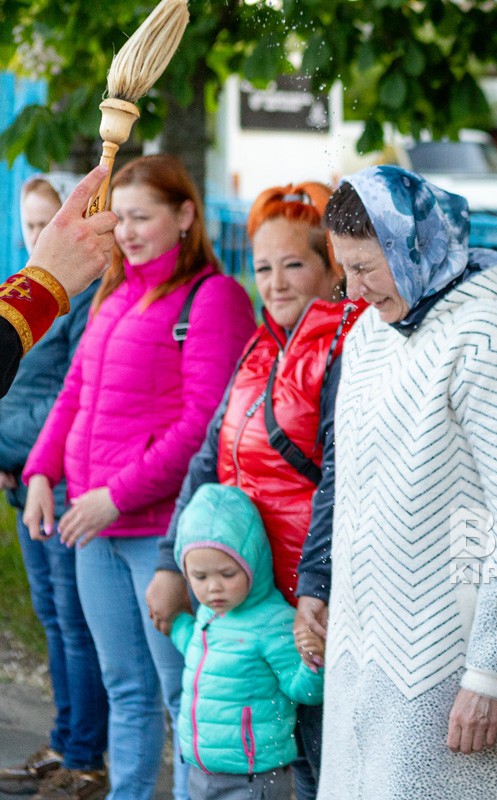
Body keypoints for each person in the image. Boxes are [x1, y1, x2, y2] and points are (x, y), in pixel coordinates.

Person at [315, 165, 497, 800]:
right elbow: (346, 478)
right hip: (362, 648)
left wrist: (489, 672)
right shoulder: (372, 331)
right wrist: (321, 584)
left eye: (367, 266)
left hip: (447, 663)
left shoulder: (488, 337)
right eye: (345, 268)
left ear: (413, 246)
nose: (354, 287)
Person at [22, 154, 257, 800]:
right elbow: (76, 392)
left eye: (140, 216)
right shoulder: (112, 293)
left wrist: (113, 497)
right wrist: (42, 469)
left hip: (161, 537)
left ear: (185, 216)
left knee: (184, 696)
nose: (124, 232)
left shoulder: (214, 299)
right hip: (94, 528)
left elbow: (202, 429)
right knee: (124, 687)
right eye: (118, 217)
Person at [145, 181, 360, 800]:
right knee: (255, 760)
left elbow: (339, 483)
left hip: (309, 603)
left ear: (332, 266)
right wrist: (170, 562)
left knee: (318, 768)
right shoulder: (259, 346)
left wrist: (316, 592)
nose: (276, 282)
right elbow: (207, 461)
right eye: (263, 267)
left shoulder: (346, 347)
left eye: (294, 263)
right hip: (249, 595)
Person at [0, 174, 108, 800]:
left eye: (51, 224)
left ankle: (84, 753)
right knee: (53, 618)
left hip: (60, 480)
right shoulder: (26, 285)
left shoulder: (82, 296)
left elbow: (68, 397)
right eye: (32, 224)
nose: (39, 236)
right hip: (26, 477)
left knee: (74, 622)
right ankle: (66, 740)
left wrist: (11, 450)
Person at [168, 482, 324, 800]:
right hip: (200, 771)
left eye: (227, 574)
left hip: (252, 779)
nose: (214, 588)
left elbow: (302, 691)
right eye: (200, 577)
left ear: (252, 560)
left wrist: (314, 663)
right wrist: (175, 624)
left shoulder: (272, 621)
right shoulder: (208, 617)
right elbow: (201, 655)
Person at [0, 165, 117, 396]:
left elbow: (73, 391)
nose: (36, 236)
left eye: (45, 226)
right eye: (30, 225)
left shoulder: (92, 298)